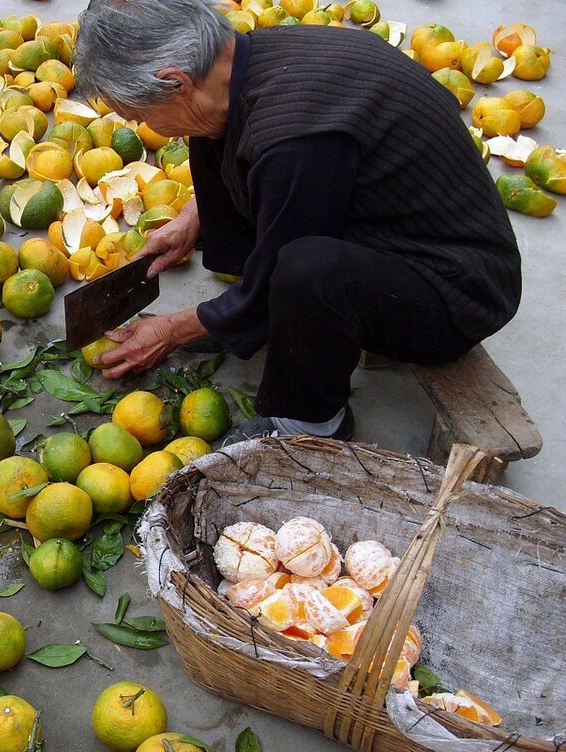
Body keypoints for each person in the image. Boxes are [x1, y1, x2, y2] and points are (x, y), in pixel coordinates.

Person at [72, 0, 521, 443]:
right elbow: (263, 161)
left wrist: (172, 330)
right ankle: (241, 320)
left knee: (307, 271)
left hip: (455, 290)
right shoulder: (245, 62)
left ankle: (313, 422)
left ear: (175, 81)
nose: (144, 126)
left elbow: (290, 242)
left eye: (139, 115)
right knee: (207, 131)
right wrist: (194, 219)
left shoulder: (294, 143)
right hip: (389, 221)